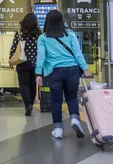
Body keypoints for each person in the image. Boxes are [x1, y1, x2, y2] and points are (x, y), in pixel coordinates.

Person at [35, 10, 92, 140]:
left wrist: (38, 73)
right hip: (72, 70)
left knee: (56, 100)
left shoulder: (43, 37)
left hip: (54, 71)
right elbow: (78, 54)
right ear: (61, 21)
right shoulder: (70, 34)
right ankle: (75, 119)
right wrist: (85, 69)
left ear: (47, 22)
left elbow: (41, 57)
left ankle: (58, 129)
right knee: (72, 96)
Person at [9, 13, 41, 116]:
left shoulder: (19, 33)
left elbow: (14, 48)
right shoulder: (39, 35)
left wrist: (10, 59)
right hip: (35, 64)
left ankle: (27, 104)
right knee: (32, 85)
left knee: (23, 85)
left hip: (22, 63)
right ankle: (31, 103)